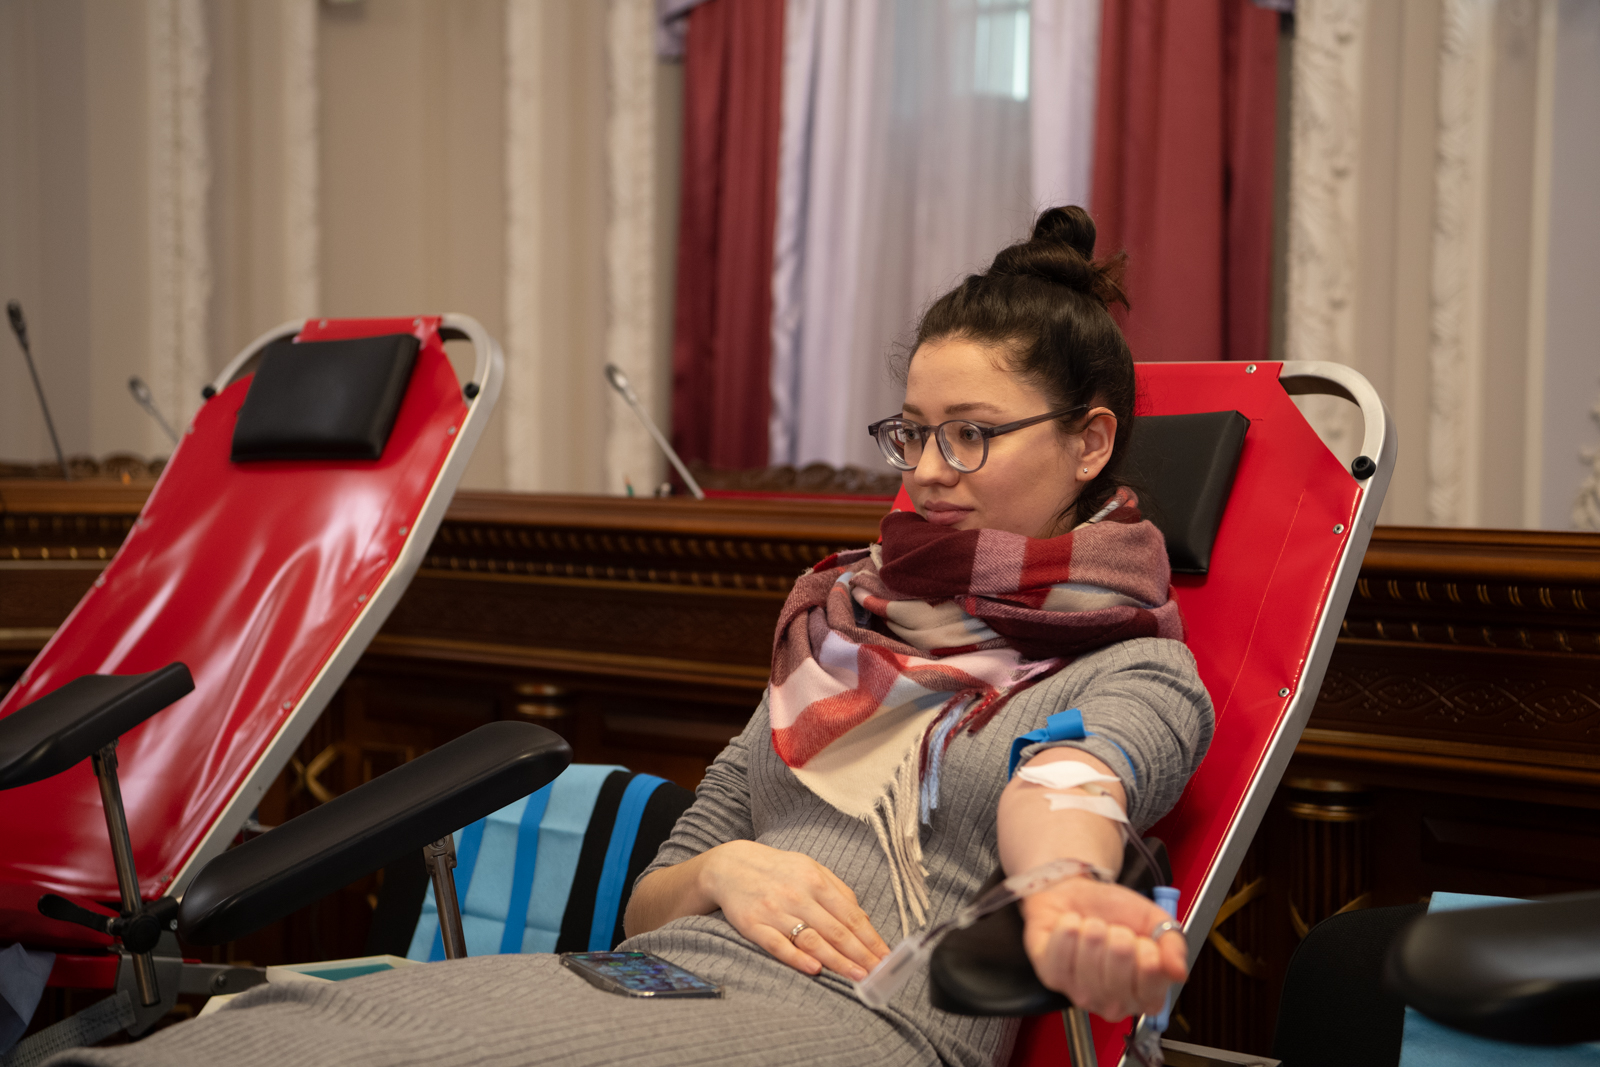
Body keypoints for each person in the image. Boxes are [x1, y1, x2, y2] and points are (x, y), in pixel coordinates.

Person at [55, 206, 1211, 1067]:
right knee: (288, 1020)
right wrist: (725, 869)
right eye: (912, 433)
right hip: (658, 978)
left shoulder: (1134, 666)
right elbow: (655, 891)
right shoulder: (844, 621)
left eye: (970, 435)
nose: (927, 471)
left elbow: (1069, 776)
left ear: (1089, 440)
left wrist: (1061, 888)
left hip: (860, 1021)